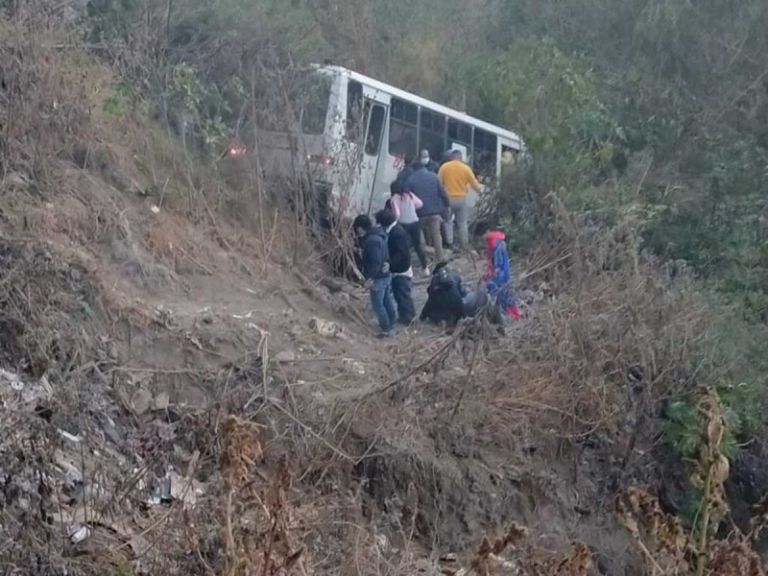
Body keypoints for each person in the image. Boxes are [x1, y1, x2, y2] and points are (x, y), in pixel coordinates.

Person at [354, 214, 397, 337]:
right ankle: (392, 321)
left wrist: (370, 278)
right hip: (385, 274)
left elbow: (375, 262)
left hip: (378, 277)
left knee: (378, 304)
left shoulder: (371, 241)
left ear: (360, 228)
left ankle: (386, 329)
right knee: (386, 299)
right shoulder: (379, 235)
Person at [474, 221, 521, 320]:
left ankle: (512, 317)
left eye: (482, 236)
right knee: (503, 298)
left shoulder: (496, 245)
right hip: (501, 274)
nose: (482, 239)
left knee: (504, 297)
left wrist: (490, 278)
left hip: (501, 277)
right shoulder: (494, 241)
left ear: (487, 232)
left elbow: (498, 265)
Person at [375, 209, 415, 325]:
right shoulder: (396, 230)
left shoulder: (396, 233)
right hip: (400, 267)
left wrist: (390, 264)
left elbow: (401, 253)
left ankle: (409, 318)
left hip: (401, 269)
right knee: (400, 295)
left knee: (403, 295)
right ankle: (405, 316)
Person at [404, 162, 450, 263]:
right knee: (437, 236)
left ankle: (427, 257)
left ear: (414, 169)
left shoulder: (410, 180)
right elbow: (443, 193)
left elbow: (407, 198)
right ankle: (440, 258)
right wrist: (447, 205)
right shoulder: (434, 177)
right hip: (434, 213)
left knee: (420, 239)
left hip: (419, 214)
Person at [438, 149, 483, 249]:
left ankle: (450, 243)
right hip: (461, 199)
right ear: (460, 157)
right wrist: (481, 192)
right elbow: (474, 184)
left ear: (451, 157)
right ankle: (464, 244)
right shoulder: (466, 169)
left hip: (448, 199)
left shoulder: (444, 167)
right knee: (462, 222)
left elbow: (439, 183)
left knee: (448, 221)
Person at [389, 181, 429, 274]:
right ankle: (425, 268)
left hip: (404, 224)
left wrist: (395, 221)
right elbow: (420, 204)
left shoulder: (395, 198)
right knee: (418, 246)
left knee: (405, 247)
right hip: (415, 222)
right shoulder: (410, 195)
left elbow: (397, 214)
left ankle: (408, 267)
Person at [419, 262, 467, 326]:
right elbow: (463, 293)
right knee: (459, 306)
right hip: (456, 302)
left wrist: (422, 316)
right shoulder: (455, 275)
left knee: (433, 312)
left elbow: (429, 302)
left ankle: (440, 321)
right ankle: (459, 320)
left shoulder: (435, 279)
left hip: (441, 302)